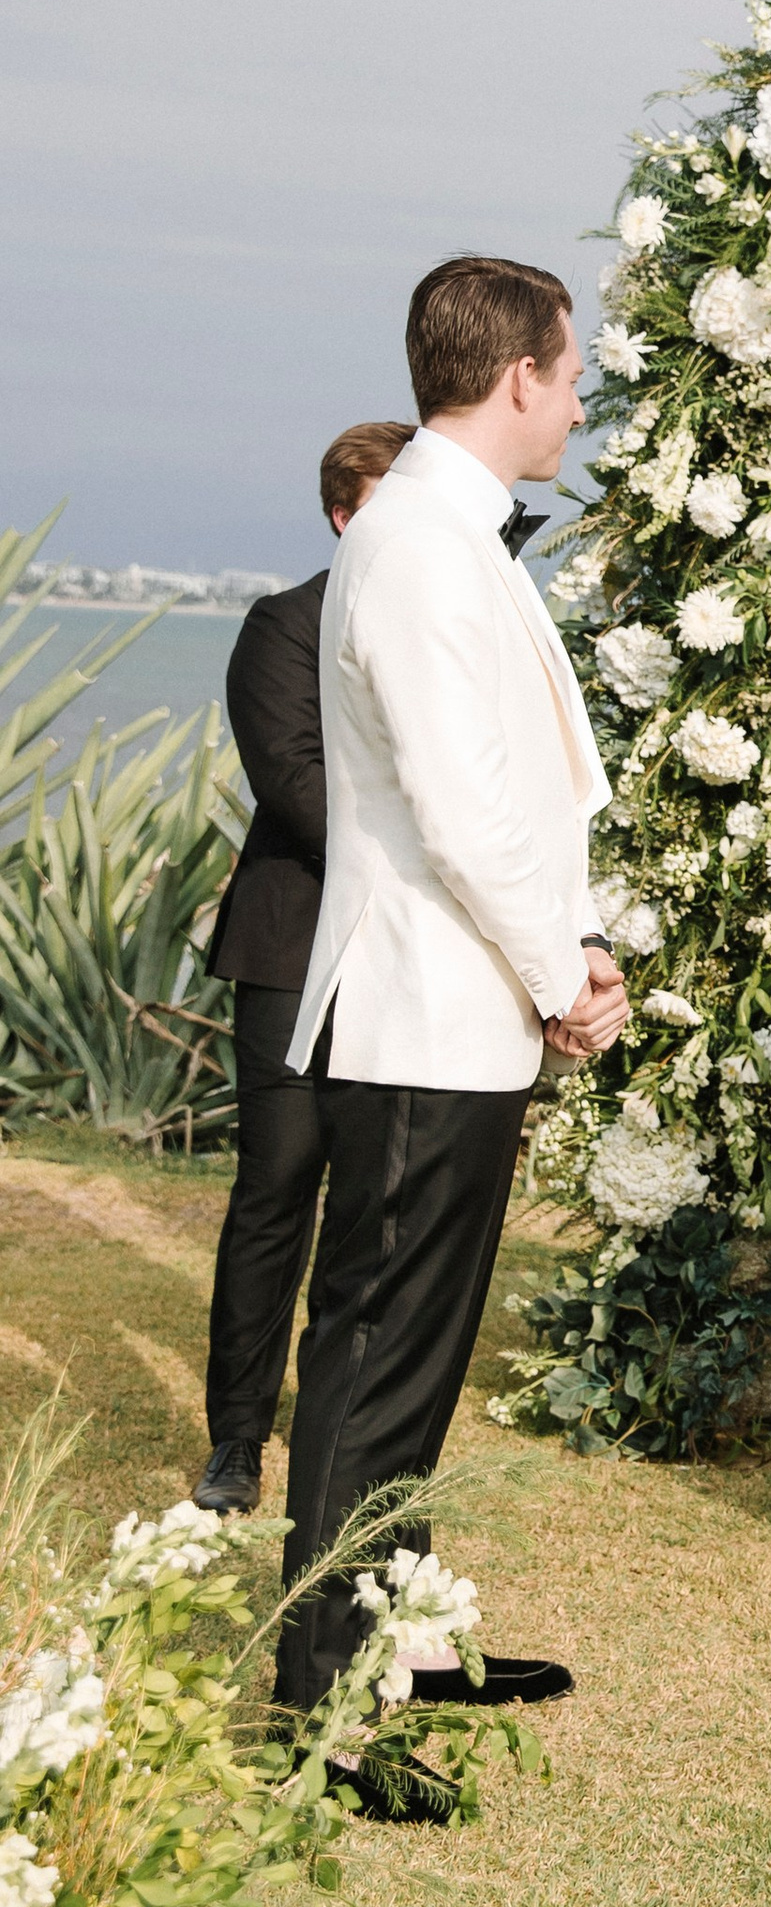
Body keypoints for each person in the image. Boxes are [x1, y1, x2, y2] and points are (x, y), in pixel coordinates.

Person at [278, 256, 627, 1759]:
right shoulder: (420, 542)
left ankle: (400, 1645)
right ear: (518, 380)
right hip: (424, 1012)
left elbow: (521, 796)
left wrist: (581, 940)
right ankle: (325, 1709)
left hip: (462, 1010)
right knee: (373, 1357)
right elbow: (462, 802)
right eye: (572, 366)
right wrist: (561, 973)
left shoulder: (446, 530)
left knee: (417, 1358)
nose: (581, 393)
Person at [193, 419, 416, 1516]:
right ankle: (237, 1438)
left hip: (407, 961)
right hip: (292, 949)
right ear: (343, 515)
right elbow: (295, 782)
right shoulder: (283, 627)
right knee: (276, 1191)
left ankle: (348, 1441)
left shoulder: (447, 627)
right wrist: (440, 861)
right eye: (388, 504)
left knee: (374, 1209)